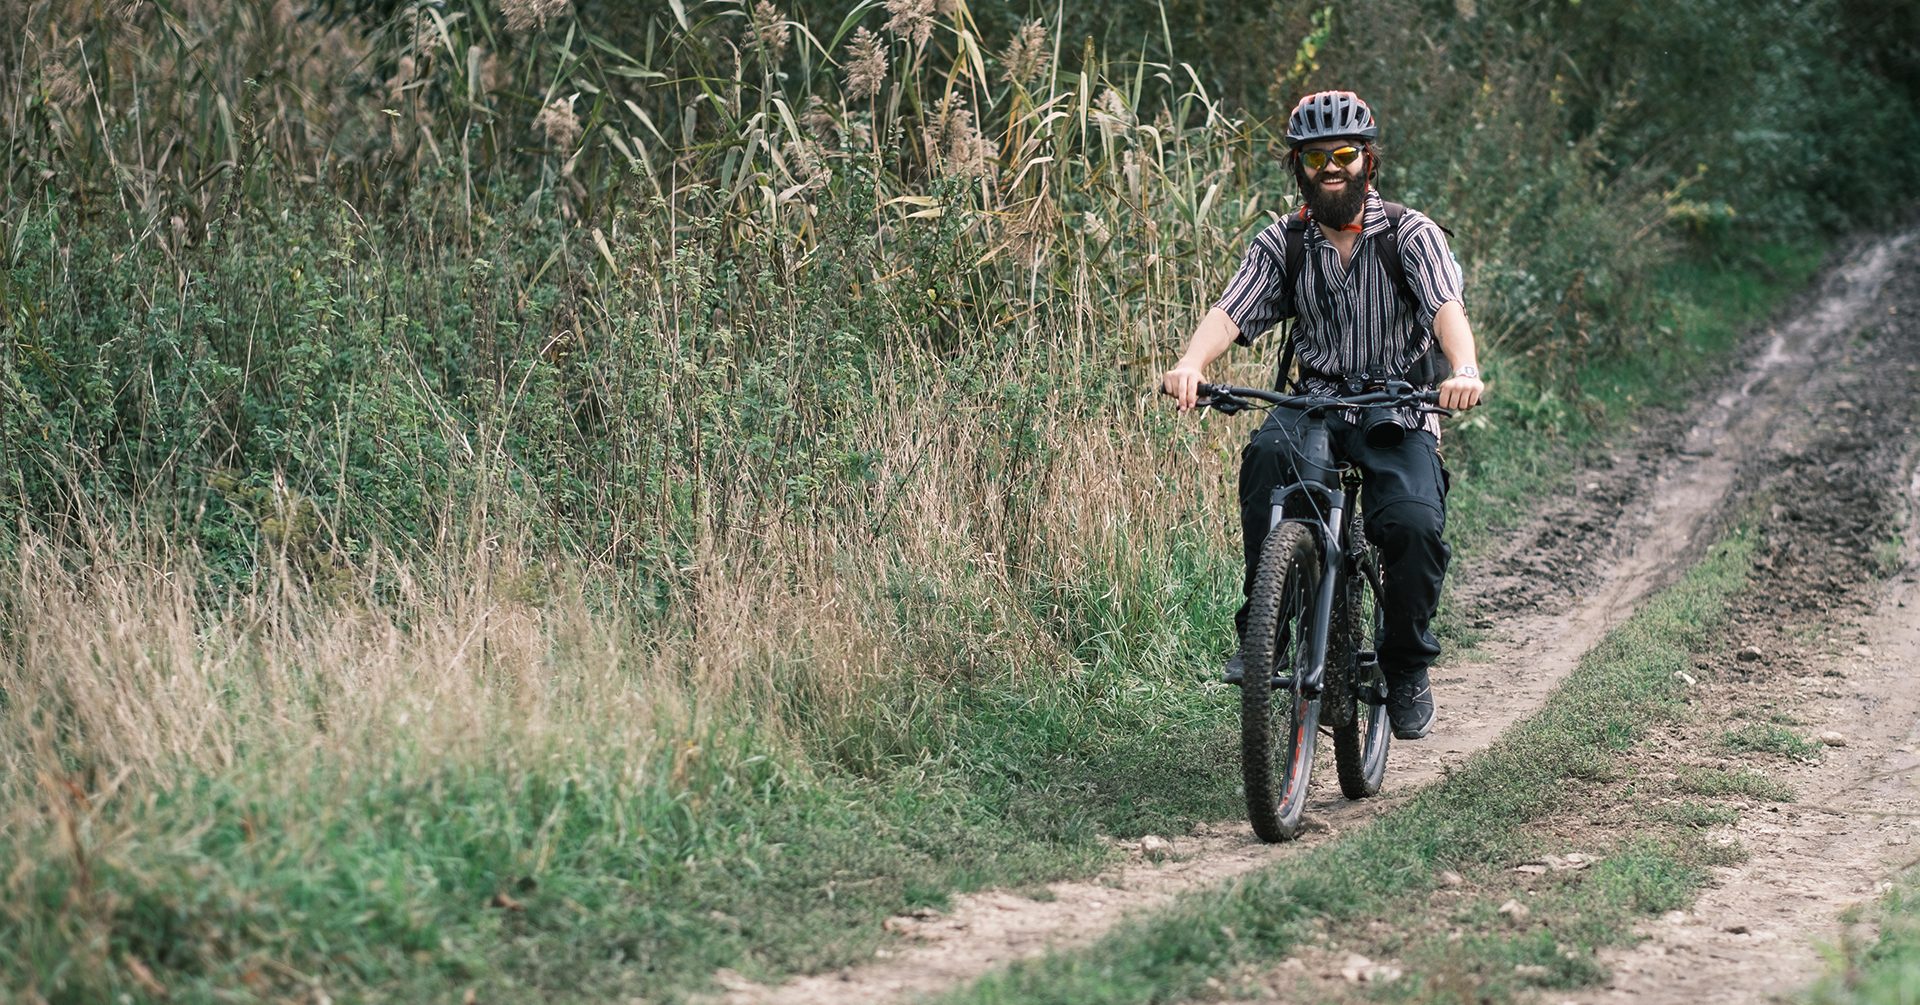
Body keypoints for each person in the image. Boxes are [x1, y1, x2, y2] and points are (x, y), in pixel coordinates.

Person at [1160, 90, 1485, 740]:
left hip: (1397, 404)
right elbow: (1231, 311)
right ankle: (1268, 629)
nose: (1331, 168)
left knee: (1414, 525)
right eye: (1315, 158)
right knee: (1266, 460)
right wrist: (1191, 362)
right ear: (1299, 167)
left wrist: (1465, 368)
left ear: (1368, 160)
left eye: (1344, 154)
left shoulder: (1410, 234)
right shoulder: (1285, 242)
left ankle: (1405, 665)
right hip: (1314, 401)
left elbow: (1446, 308)